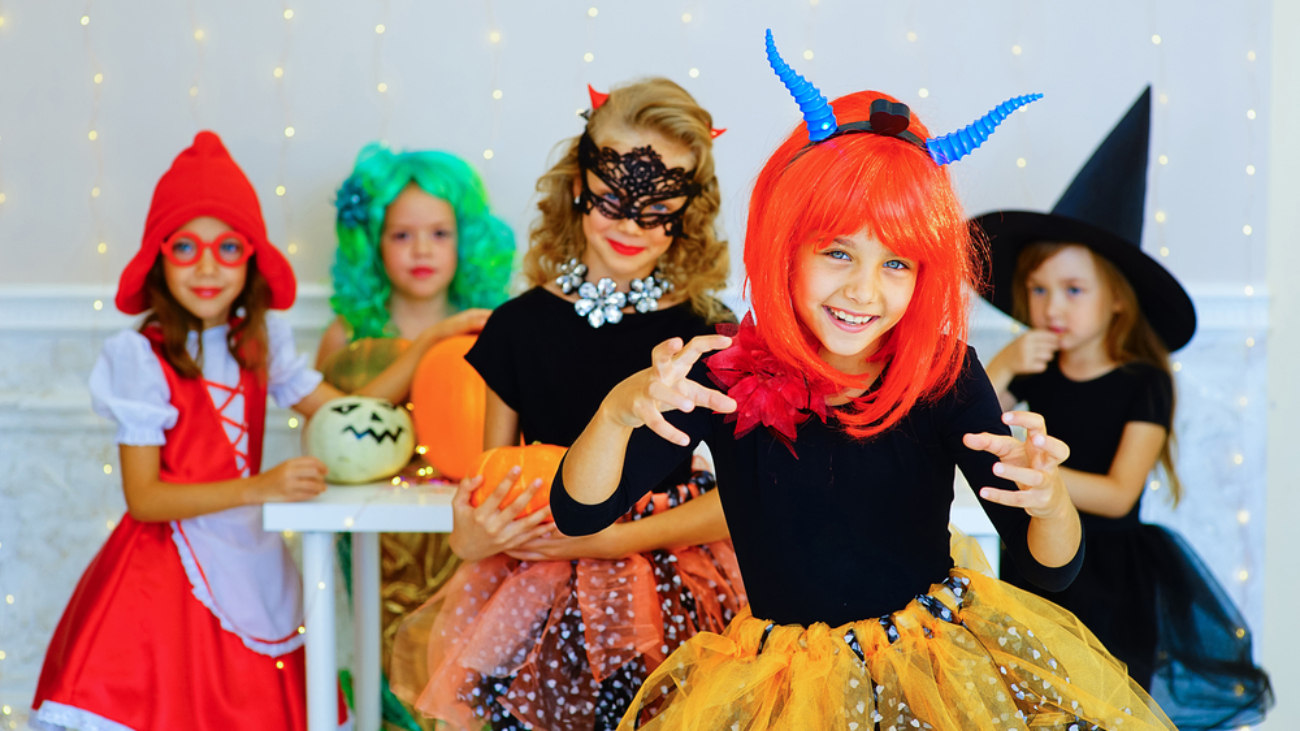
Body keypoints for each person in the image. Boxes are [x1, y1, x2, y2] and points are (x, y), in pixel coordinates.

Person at [550, 32, 1178, 730]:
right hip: (780, 687)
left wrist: (1051, 499)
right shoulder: (720, 369)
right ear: (787, 244)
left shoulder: (942, 373)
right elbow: (582, 511)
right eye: (838, 252)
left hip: (932, 675)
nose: (864, 289)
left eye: (897, 263)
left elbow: (1048, 566)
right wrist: (615, 414)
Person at [389, 77, 744, 731]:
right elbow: (492, 477)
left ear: (687, 210)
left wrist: (614, 537)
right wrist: (470, 537)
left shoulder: (710, 333)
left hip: (672, 590)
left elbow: (742, 496)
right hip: (534, 586)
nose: (632, 225)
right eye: (613, 199)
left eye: (658, 205)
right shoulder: (518, 327)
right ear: (579, 186)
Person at [30, 131, 369, 730]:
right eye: (185, 246)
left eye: (228, 247)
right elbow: (145, 498)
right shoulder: (141, 358)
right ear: (158, 257)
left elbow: (349, 418)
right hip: (162, 583)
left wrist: (424, 358)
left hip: (256, 565)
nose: (208, 267)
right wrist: (258, 489)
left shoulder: (264, 345)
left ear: (252, 257)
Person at [977, 87, 1272, 729]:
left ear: (1116, 299)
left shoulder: (1144, 382)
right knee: (1034, 703)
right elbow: (976, 433)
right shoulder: (1038, 370)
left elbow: (1115, 493)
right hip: (1035, 564)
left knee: (1105, 708)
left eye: (1073, 289)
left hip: (1111, 579)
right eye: (1039, 289)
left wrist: (1042, 478)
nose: (1052, 306)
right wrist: (999, 370)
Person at [318, 144, 514, 730]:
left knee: (467, 661)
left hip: (466, 524)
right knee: (388, 652)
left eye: (439, 233)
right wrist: (430, 344)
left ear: (467, 240)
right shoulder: (349, 334)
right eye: (402, 235)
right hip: (380, 533)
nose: (422, 249)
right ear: (373, 243)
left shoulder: (494, 322)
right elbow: (341, 422)